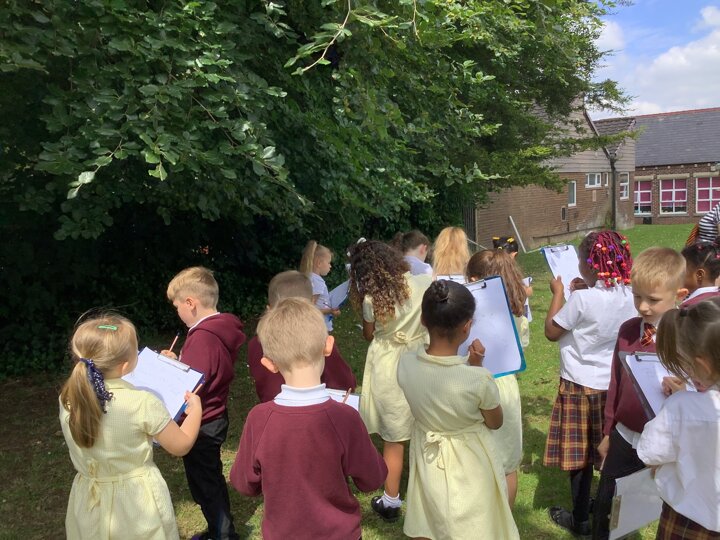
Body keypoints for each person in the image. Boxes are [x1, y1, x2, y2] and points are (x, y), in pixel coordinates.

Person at [229, 298, 387, 540]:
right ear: (328, 345)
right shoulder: (345, 417)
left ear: (269, 364)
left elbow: (244, 483)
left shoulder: (259, 419)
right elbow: (372, 478)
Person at [59, 315, 202, 540]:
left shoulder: (68, 398)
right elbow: (181, 445)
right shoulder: (142, 402)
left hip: (88, 500)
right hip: (137, 503)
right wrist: (196, 411)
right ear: (125, 365)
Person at [397, 280, 519, 539]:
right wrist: (476, 368)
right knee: (474, 522)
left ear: (423, 319)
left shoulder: (406, 363)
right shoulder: (478, 379)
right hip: (470, 462)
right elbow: (495, 422)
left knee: (434, 515)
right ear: (467, 327)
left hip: (428, 455)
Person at [543, 231, 637, 538]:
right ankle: (605, 510)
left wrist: (558, 292)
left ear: (590, 265)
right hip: (612, 385)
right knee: (606, 451)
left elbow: (551, 331)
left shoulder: (581, 299)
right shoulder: (631, 296)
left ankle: (580, 517)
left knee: (579, 457)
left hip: (578, 385)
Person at [592, 247, 688, 540]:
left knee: (659, 506)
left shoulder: (688, 338)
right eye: (637, 297)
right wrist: (608, 431)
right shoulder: (628, 331)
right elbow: (616, 382)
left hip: (666, 443)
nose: (643, 307)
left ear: (680, 294)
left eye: (653, 300)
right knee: (607, 505)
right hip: (624, 436)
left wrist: (684, 390)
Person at [347, 240, 432, 521]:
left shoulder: (372, 299)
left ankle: (391, 500)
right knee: (426, 426)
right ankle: (430, 492)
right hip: (421, 357)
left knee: (393, 437)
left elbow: (368, 334)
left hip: (388, 365)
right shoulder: (423, 283)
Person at [161, 267, 246, 540]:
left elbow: (193, 385)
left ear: (190, 303)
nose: (177, 312)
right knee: (209, 477)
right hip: (213, 414)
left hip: (203, 421)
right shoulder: (217, 329)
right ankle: (219, 529)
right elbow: (203, 371)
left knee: (205, 484)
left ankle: (223, 534)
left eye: (177, 306)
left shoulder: (203, 337)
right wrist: (177, 363)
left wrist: (167, 373)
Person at [637, 298, 720, 538]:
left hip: (688, 522)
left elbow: (650, 454)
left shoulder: (681, 408)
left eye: (687, 366)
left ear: (702, 365)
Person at [466, 249, 528, 507]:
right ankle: (503, 520)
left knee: (498, 460)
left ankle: (497, 520)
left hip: (479, 385)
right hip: (504, 387)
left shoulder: (468, 318)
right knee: (505, 462)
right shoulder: (518, 314)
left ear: (475, 280)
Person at [246, 270, 356, 402]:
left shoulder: (255, 344)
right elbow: (344, 383)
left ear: (269, 309)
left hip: (272, 407)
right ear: (311, 305)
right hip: (313, 407)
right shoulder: (317, 339)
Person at [299, 240, 340, 332]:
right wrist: (330, 311)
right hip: (319, 327)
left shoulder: (308, 277)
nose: (330, 266)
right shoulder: (317, 281)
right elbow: (310, 309)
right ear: (319, 263)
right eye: (328, 262)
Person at [680, 239, 720, 307]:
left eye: (682, 271)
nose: (678, 275)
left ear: (699, 275)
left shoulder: (691, 307)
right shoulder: (716, 297)